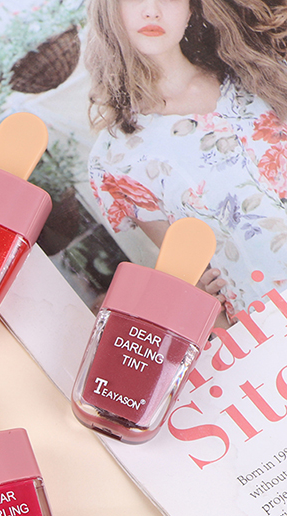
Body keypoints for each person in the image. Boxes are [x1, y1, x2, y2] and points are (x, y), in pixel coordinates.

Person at [85, 0, 287, 324]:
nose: (152, 10)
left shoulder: (259, 74)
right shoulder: (117, 157)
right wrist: (199, 298)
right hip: (270, 322)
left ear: (191, 9)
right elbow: (192, 282)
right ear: (109, 11)